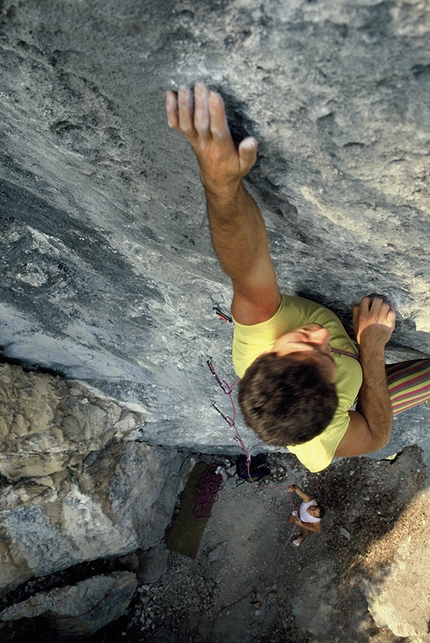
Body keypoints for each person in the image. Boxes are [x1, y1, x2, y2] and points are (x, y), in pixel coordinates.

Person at [165, 83, 430, 472]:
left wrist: (221, 185)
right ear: (333, 407)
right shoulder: (316, 443)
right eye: (324, 354)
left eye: (304, 341)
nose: (322, 335)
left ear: (267, 354)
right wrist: (370, 347)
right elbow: (376, 435)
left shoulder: (259, 334)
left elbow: (247, 264)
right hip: (362, 375)